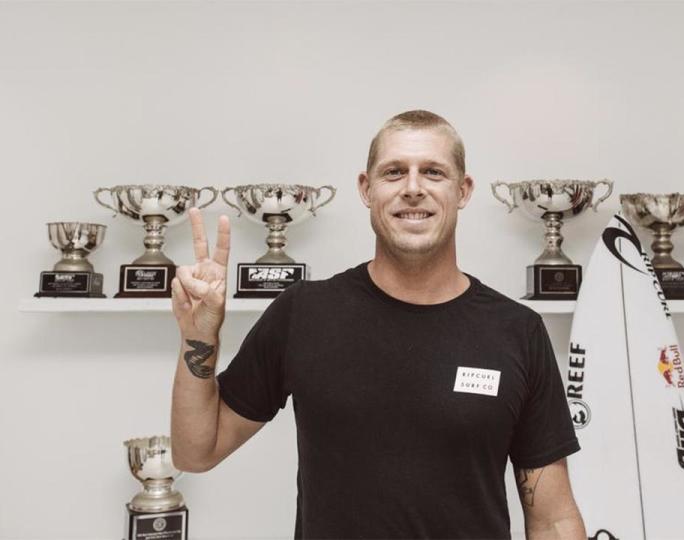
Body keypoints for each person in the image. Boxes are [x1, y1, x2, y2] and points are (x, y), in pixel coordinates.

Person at [169, 110, 586, 539]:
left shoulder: (517, 332)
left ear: (463, 191)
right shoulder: (305, 313)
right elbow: (196, 451)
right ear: (366, 189)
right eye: (393, 172)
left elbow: (553, 520)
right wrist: (199, 336)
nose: (412, 188)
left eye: (433, 172)